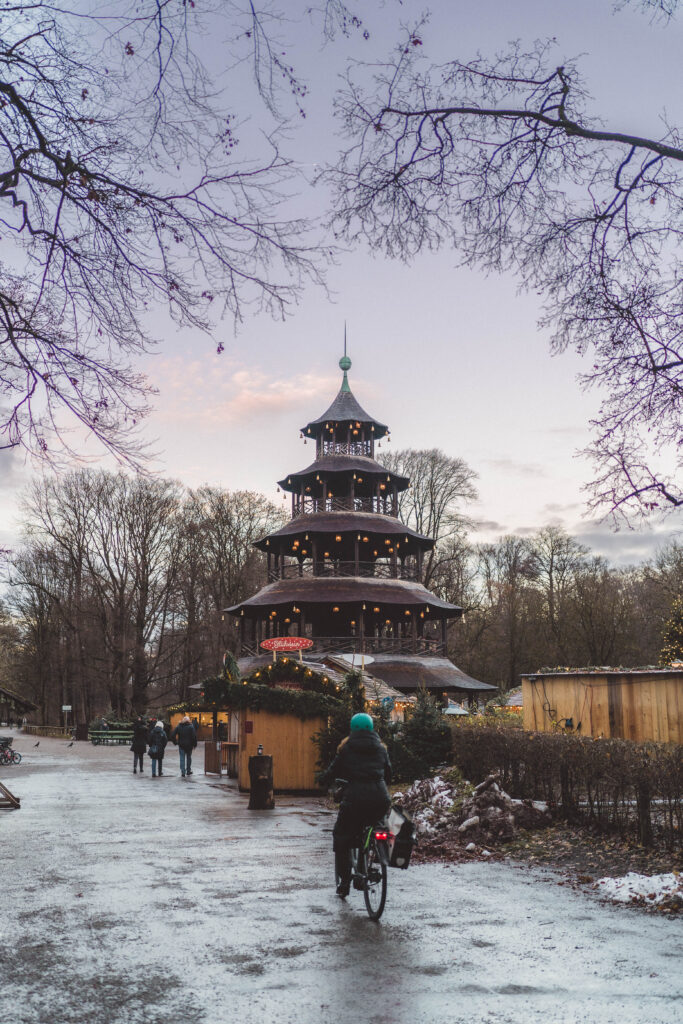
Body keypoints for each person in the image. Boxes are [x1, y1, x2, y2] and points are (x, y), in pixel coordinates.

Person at [320, 712, 392, 899]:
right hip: (379, 799)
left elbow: (333, 770)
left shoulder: (346, 748)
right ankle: (375, 853)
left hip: (355, 800)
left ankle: (345, 882)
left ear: (352, 728)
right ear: (372, 728)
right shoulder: (381, 748)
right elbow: (389, 773)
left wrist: (323, 780)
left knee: (342, 836)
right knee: (377, 827)